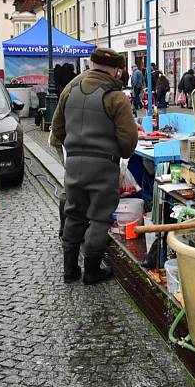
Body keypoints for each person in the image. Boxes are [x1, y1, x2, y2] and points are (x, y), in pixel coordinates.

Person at [50, 47, 139, 286]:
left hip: (74, 165)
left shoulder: (70, 89)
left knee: (74, 215)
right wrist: (120, 153)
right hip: (102, 166)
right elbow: (129, 139)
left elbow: (57, 129)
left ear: (92, 64)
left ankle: (69, 271)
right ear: (116, 70)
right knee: (99, 219)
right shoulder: (115, 96)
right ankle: (91, 271)